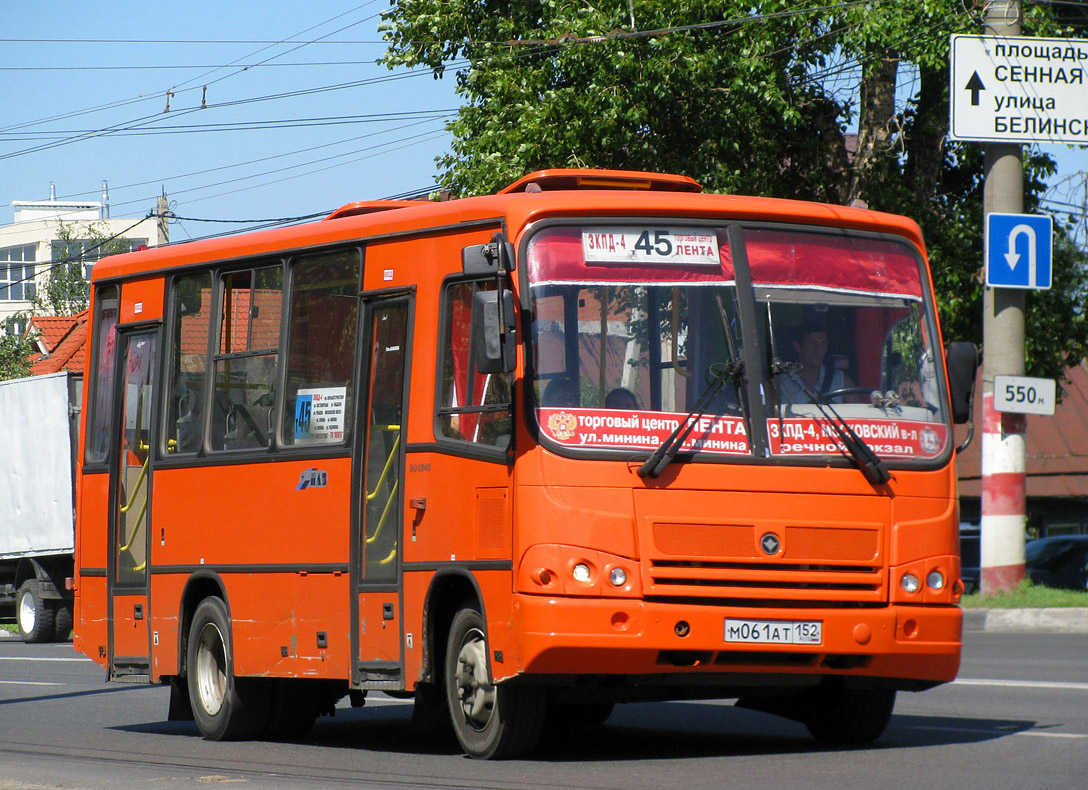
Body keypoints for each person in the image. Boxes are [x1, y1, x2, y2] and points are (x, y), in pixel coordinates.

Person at [778, 322, 854, 404]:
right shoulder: (782, 382)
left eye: (823, 343)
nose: (819, 350)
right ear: (798, 347)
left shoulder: (841, 379)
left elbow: (856, 412)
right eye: (813, 344)